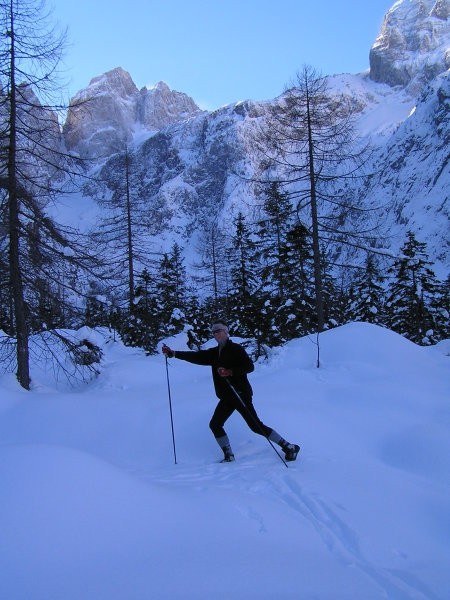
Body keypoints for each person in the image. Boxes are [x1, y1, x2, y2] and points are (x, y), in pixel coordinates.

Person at [162, 320, 300, 463]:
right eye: (214, 332)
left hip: (240, 394)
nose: (216, 334)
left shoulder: (236, 349)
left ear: (226, 332)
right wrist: (173, 353)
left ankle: (289, 447)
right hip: (227, 397)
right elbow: (197, 356)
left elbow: (249, 367)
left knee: (256, 426)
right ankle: (229, 455)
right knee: (215, 424)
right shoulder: (214, 353)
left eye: (219, 331)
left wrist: (230, 372)